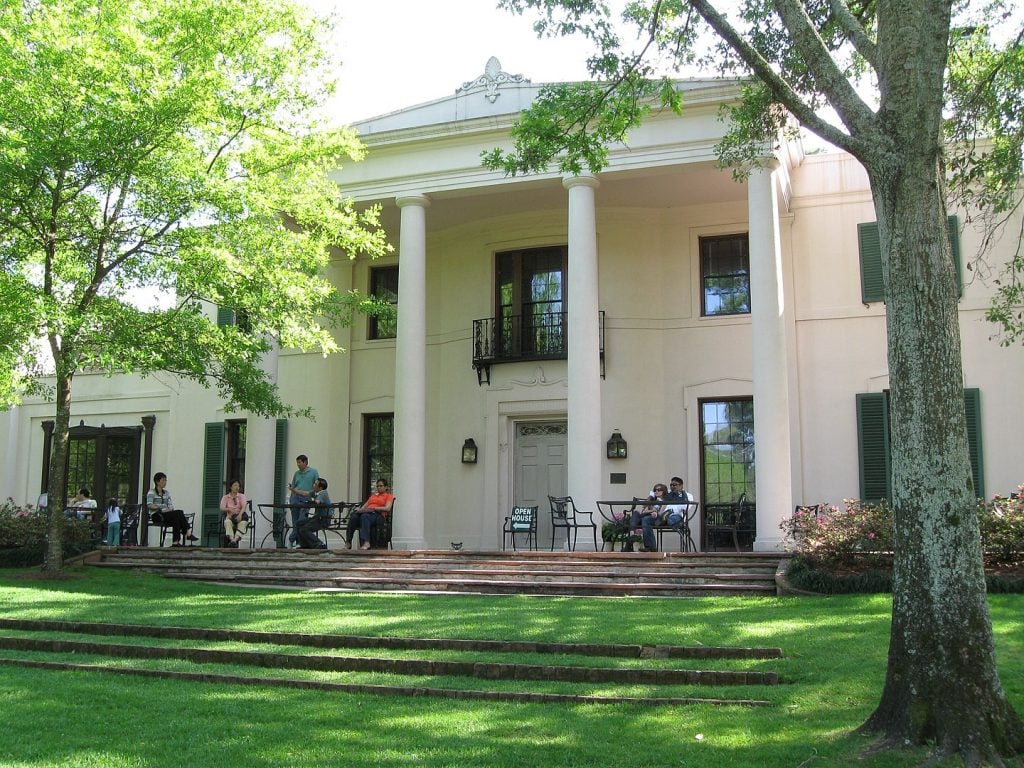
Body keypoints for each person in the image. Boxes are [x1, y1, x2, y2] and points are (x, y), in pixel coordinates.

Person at [147, 472, 197, 547]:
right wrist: (161, 507)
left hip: (166, 514)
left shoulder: (166, 493)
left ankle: (175, 542)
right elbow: (150, 505)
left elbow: (170, 506)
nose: (165, 482)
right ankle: (188, 532)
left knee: (176, 517)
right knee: (179, 513)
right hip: (156, 515)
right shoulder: (152, 492)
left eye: (165, 480)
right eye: (163, 480)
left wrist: (169, 509)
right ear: (157, 481)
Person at [346, 478, 394, 550]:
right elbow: (364, 506)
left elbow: (387, 508)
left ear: (386, 487)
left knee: (365, 516)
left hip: (378, 515)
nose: (379, 488)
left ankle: (366, 542)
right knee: (354, 517)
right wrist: (359, 510)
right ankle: (348, 542)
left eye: (381, 486)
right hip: (367, 513)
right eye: (377, 486)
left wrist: (374, 508)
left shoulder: (389, 496)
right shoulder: (373, 496)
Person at [286, 454, 319, 548]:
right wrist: (291, 498)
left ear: (305, 462)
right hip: (295, 498)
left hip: (306, 499)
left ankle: (291, 539)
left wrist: (313, 496)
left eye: (300, 462)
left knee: (301, 521)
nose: (298, 464)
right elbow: (293, 486)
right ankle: (298, 542)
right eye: (297, 462)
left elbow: (317, 486)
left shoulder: (313, 472)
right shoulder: (296, 473)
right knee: (295, 521)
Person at [628, 483, 667, 552]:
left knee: (645, 519)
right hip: (648, 516)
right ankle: (632, 534)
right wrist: (652, 510)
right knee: (636, 513)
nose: (656, 491)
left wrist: (653, 511)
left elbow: (660, 512)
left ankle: (650, 546)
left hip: (657, 518)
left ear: (664, 491)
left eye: (659, 490)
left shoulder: (665, 501)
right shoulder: (652, 500)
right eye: (655, 490)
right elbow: (644, 511)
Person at [297, 478, 332, 549]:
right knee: (299, 523)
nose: (313, 485)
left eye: (315, 484)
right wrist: (293, 490)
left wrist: (307, 504)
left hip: (323, 519)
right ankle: (304, 545)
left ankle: (319, 544)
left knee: (305, 529)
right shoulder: (316, 493)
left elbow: (317, 502)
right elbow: (305, 493)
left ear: (320, 487)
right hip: (317, 518)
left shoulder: (323, 493)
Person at [220, 479, 249, 547]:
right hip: (230, 517)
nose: (237, 487)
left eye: (238, 486)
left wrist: (240, 515)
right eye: (235, 485)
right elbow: (221, 507)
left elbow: (244, 506)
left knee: (243, 523)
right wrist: (229, 509)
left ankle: (234, 540)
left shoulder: (242, 496)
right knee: (227, 522)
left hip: (240, 516)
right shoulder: (226, 497)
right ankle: (232, 539)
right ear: (231, 487)